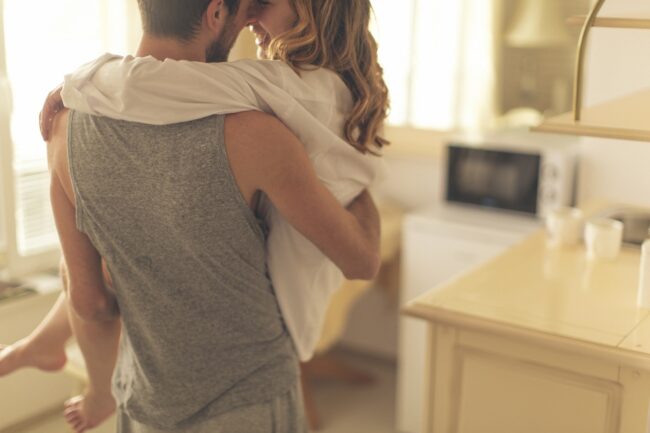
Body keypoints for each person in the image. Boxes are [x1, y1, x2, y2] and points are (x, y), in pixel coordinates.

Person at [1, 0, 386, 431]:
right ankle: (42, 344)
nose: (250, 18)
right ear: (216, 13)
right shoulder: (257, 130)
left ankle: (42, 345)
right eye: (247, 6)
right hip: (249, 395)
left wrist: (78, 84)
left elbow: (89, 303)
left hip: (144, 395)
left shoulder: (64, 129)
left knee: (105, 263)